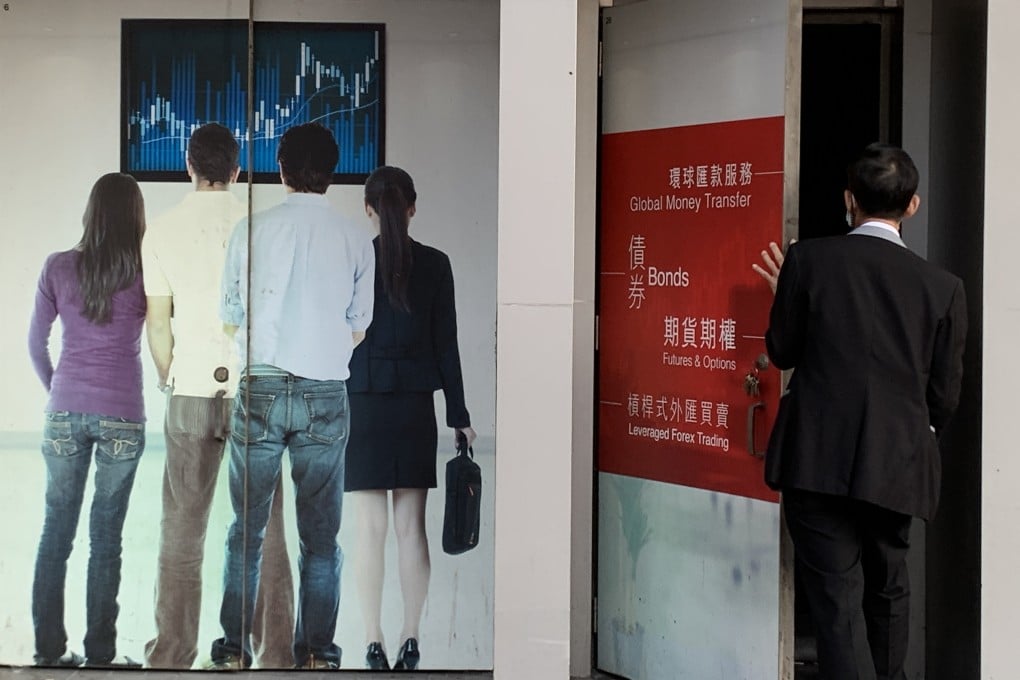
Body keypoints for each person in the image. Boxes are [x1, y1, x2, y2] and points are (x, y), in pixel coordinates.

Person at [753, 143, 967, 680]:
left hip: (817, 456)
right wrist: (910, 437)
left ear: (848, 199)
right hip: (898, 460)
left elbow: (782, 350)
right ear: (911, 206)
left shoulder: (809, 260)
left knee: (837, 600)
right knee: (890, 587)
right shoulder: (943, 288)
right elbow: (944, 394)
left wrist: (788, 294)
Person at [207, 122, 375, 670]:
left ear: (280, 170)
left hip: (259, 384)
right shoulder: (355, 237)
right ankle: (318, 655)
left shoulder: (250, 230)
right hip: (326, 391)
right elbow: (359, 325)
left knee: (245, 533)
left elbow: (230, 316)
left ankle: (233, 651)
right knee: (321, 539)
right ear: (332, 173)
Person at [140, 123, 295, 669]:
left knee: (182, 527)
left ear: (188, 166)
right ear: (235, 172)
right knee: (266, 530)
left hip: (190, 389)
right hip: (257, 388)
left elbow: (158, 326)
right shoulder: (260, 228)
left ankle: (172, 652)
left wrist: (170, 376)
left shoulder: (160, 229)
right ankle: (275, 652)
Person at [346, 166, 476, 671]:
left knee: (369, 529)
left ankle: (373, 639)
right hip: (416, 405)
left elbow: (345, 334)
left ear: (369, 209)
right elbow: (448, 345)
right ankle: (412, 636)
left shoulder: (356, 260)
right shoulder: (437, 264)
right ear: (414, 207)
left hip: (364, 401)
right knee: (410, 528)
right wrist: (459, 414)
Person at [27, 173, 148, 668]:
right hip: (123, 414)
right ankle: (100, 656)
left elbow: (36, 345)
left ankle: (49, 652)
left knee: (56, 533)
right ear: (135, 217)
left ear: (90, 213)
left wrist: (62, 391)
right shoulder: (146, 270)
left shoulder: (58, 267)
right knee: (106, 541)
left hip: (64, 411)